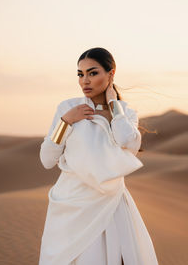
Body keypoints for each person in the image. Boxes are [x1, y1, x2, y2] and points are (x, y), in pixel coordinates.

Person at [38, 47, 159, 265]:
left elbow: (128, 142)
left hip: (111, 204)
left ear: (111, 74)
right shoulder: (67, 108)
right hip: (72, 205)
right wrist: (65, 122)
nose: (85, 80)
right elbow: (47, 160)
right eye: (80, 74)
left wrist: (114, 106)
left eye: (92, 73)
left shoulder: (126, 113)